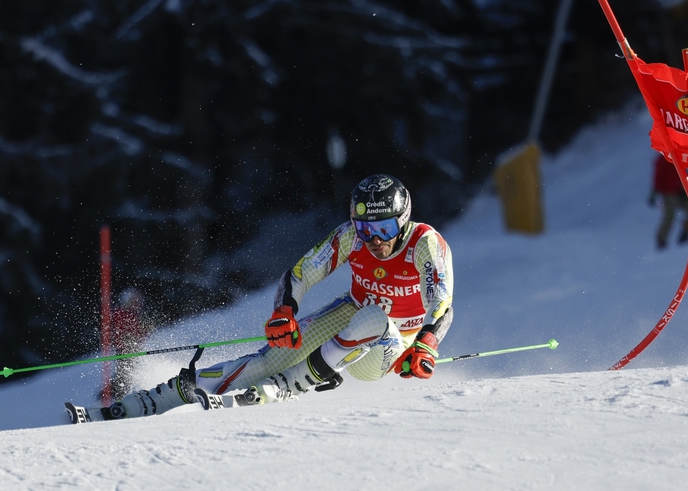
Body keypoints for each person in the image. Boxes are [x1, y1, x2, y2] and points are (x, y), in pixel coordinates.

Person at [74, 174, 454, 421]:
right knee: (275, 355)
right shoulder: (350, 238)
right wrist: (284, 311)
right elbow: (301, 273)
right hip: (351, 316)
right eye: (365, 227)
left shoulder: (425, 243)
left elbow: (442, 303)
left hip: (395, 342)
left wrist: (427, 343)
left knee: (372, 317)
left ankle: (294, 384)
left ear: (402, 220)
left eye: (384, 227)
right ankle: (157, 398)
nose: (375, 240)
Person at [109, 288, 148, 401]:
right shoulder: (122, 313)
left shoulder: (133, 314)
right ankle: (118, 397)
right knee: (125, 375)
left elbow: (138, 332)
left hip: (131, 350)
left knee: (129, 374)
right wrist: (130, 340)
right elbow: (122, 332)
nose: (137, 303)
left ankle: (121, 395)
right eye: (134, 301)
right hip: (125, 350)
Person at [648, 153, 688, 250]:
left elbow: (684, 174)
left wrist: (686, 189)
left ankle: (686, 230)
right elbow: (658, 177)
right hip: (669, 193)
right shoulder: (662, 160)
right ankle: (661, 238)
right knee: (670, 214)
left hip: (680, 191)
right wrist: (654, 193)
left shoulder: (677, 157)